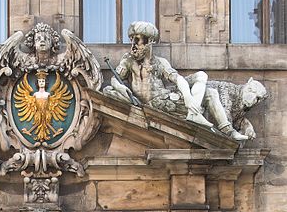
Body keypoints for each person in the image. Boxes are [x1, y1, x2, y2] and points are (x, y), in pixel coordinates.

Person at [104, 21, 249, 140]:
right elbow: (115, 79)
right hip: (154, 105)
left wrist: (187, 97)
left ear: (149, 42)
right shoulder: (128, 60)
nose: (133, 46)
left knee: (203, 80)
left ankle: (226, 130)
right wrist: (120, 87)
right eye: (132, 40)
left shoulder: (160, 62)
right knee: (108, 91)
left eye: (138, 40)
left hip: (166, 101)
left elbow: (178, 79)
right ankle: (195, 115)